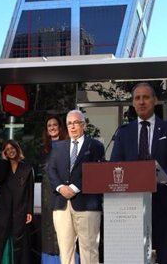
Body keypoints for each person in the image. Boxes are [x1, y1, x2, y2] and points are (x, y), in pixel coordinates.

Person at [110, 82, 167, 264]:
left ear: (155, 100)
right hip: (132, 206)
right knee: (134, 258)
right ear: (133, 103)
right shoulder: (123, 132)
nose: (141, 102)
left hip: (164, 203)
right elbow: (115, 164)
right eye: (137, 98)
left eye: (145, 97)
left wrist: (165, 178)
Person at [48, 110, 105, 264]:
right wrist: (61, 187)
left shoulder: (95, 145)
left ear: (84, 125)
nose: (72, 127)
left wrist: (74, 188)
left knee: (89, 249)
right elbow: (51, 170)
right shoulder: (58, 147)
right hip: (62, 205)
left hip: (87, 204)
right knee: (65, 251)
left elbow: (97, 171)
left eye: (76, 123)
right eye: (69, 123)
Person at [0, 139, 35, 264]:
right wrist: (4, 161)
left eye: (12, 148)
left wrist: (29, 211)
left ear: (17, 148)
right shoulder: (3, 167)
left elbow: (30, 191)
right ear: (4, 152)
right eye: (7, 150)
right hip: (3, 210)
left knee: (20, 241)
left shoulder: (27, 168)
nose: (10, 151)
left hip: (20, 210)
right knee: (1, 239)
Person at [41, 115, 68, 263]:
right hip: (46, 195)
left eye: (54, 125)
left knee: (64, 230)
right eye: (49, 126)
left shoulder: (67, 145)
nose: (52, 128)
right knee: (48, 230)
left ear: (60, 127)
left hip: (62, 193)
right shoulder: (44, 149)